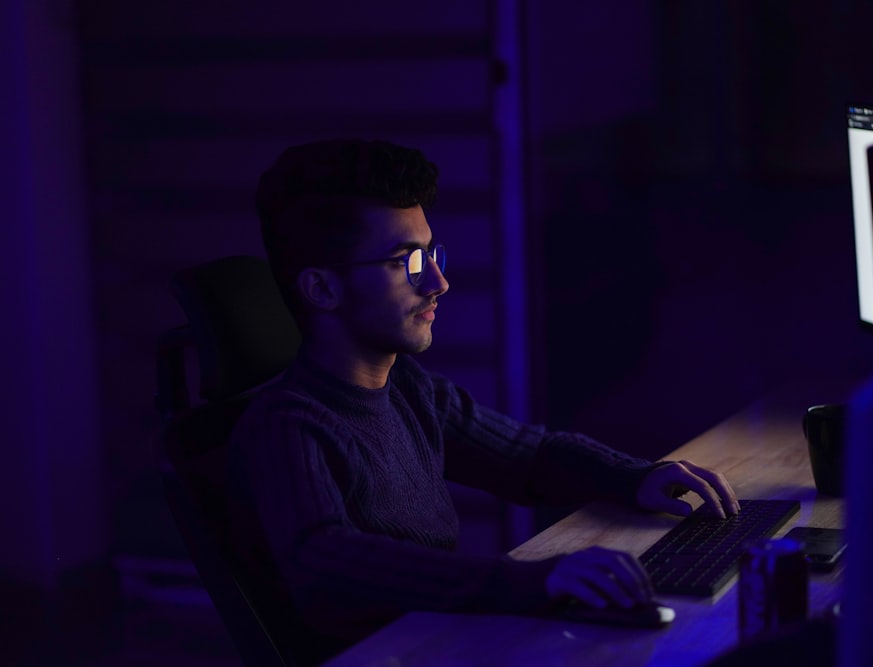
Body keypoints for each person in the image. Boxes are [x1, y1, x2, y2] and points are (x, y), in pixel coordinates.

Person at [227, 138, 740, 657]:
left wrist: (637, 477)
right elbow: (329, 560)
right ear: (321, 290)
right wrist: (529, 581)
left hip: (448, 642)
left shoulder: (408, 388)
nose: (439, 281)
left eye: (431, 254)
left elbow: (529, 457)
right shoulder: (286, 424)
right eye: (405, 262)